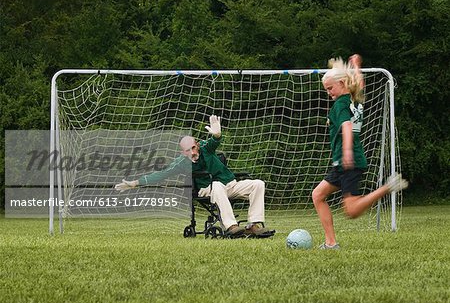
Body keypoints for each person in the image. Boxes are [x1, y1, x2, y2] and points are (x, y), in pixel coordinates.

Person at [115, 115, 275, 238]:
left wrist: (217, 135)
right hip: (208, 189)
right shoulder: (181, 163)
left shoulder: (206, 148)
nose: (192, 152)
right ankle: (231, 227)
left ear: (197, 145)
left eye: (193, 148)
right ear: (182, 152)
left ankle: (253, 225)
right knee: (217, 185)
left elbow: (214, 142)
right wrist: (135, 183)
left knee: (258, 184)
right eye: (187, 150)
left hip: (230, 185)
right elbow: (161, 174)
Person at [312, 54, 408, 249]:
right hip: (344, 162)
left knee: (352, 211)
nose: (329, 93)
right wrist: (356, 65)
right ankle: (331, 243)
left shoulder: (340, 105)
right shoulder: (354, 99)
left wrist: (346, 151)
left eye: (330, 88)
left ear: (341, 83)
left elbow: (347, 127)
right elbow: (359, 84)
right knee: (318, 195)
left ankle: (386, 188)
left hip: (348, 160)